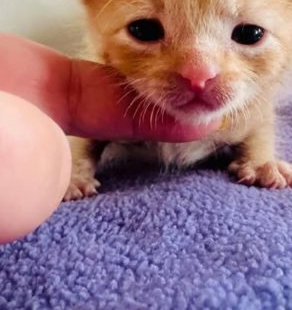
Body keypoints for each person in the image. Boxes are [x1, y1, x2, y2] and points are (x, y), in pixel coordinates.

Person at [0, 33, 218, 244]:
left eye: (248, 34)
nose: (198, 76)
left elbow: (250, 130)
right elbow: (85, 131)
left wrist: (253, 156)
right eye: (147, 30)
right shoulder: (89, 93)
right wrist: (78, 166)